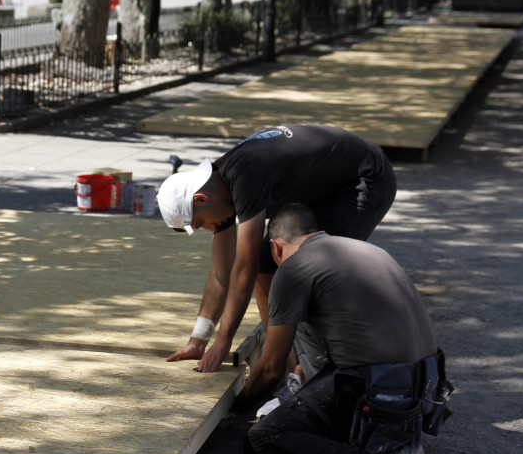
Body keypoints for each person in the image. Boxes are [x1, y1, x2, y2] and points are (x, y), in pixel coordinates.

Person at [231, 203, 450, 454]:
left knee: (264, 438)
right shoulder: (366, 250)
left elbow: (271, 368)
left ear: (276, 247)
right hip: (425, 390)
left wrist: (236, 406)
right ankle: (388, 436)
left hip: (379, 389)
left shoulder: (294, 269)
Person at [156, 124, 396, 374]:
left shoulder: (245, 175)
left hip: (364, 178)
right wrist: (199, 340)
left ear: (200, 199)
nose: (208, 229)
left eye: (200, 223)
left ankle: (314, 373)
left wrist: (223, 342)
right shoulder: (219, 189)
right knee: (267, 261)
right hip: (325, 184)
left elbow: (244, 268)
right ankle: (284, 366)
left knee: (310, 270)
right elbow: (221, 274)